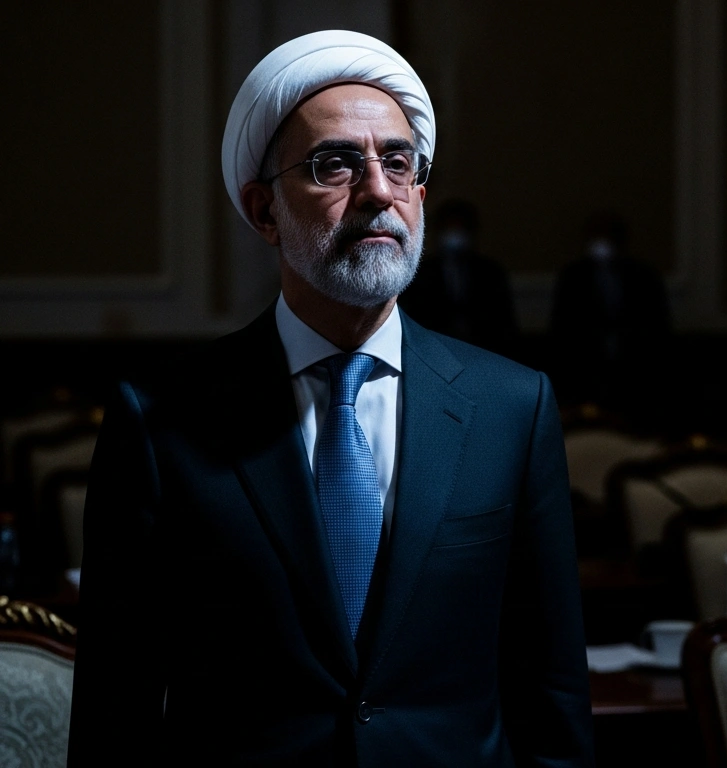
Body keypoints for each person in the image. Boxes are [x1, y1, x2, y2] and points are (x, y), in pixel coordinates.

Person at [68, 31, 593, 765]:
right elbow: (114, 708)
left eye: (398, 162)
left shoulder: (513, 406)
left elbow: (552, 692)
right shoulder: (160, 423)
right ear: (264, 210)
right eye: (335, 165)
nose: (378, 190)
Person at [548, 211, 670, 406]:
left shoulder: (643, 276)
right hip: (584, 370)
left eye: (608, 235)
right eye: (596, 235)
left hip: (636, 370)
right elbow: (562, 326)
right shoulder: (574, 276)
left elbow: (657, 324)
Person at [397, 198, 520, 358]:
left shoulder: (491, 272)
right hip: (433, 352)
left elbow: (504, 323)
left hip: (483, 352)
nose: (455, 234)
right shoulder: (419, 271)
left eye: (460, 228)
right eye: (449, 228)